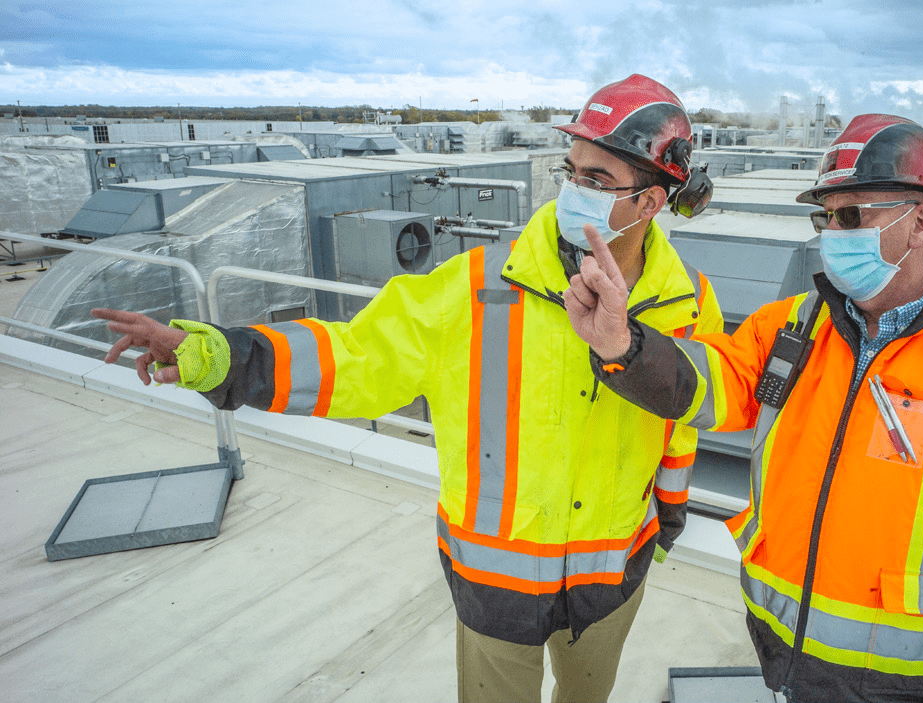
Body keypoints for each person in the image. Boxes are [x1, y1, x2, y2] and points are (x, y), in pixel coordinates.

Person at [92, 73, 723, 703]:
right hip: (495, 583)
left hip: (609, 579)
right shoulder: (478, 286)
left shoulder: (688, 304)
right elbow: (355, 356)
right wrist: (218, 354)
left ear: (650, 202)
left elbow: (681, 422)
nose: (572, 192)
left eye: (597, 180)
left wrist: (667, 521)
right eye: (571, 170)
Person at [564, 114, 923, 702]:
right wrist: (622, 346)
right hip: (784, 654)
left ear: (921, 221)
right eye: (825, 218)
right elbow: (710, 385)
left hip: (916, 683)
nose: (832, 235)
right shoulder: (792, 328)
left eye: (851, 216)